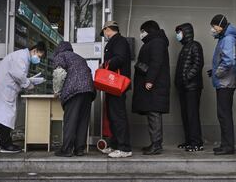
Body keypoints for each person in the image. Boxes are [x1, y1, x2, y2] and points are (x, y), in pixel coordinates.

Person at [0, 41, 47, 153]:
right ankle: (6, 145)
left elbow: (18, 74)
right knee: (6, 116)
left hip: (5, 87)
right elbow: (19, 75)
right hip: (4, 88)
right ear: (34, 50)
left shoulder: (22, 57)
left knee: (4, 116)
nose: (38, 59)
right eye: (39, 56)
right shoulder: (21, 57)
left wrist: (26, 82)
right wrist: (28, 84)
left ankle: (4, 143)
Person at [132, 20, 170, 155]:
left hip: (154, 86)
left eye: (142, 31)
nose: (141, 34)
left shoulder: (157, 42)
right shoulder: (154, 42)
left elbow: (156, 62)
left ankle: (156, 145)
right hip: (154, 86)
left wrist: (149, 80)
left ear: (148, 30)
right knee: (152, 114)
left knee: (154, 114)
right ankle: (154, 143)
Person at [53, 41, 96, 157]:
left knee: (70, 120)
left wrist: (57, 91)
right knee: (83, 120)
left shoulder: (60, 56)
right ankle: (79, 149)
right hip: (88, 90)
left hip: (74, 91)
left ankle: (66, 149)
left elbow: (59, 73)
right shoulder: (80, 58)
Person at [100, 21, 132, 158]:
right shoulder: (117, 41)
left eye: (104, 32)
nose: (105, 36)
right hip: (112, 85)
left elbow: (119, 59)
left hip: (117, 84)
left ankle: (124, 148)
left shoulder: (119, 41)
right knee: (112, 116)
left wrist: (105, 64)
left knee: (118, 116)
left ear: (107, 29)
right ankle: (114, 145)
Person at [208, 14, 236, 155]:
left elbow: (228, 61)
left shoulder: (227, 39)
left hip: (225, 82)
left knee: (224, 114)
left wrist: (217, 73)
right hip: (224, 81)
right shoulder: (224, 38)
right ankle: (225, 144)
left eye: (213, 26)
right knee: (223, 114)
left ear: (220, 25)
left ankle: (228, 146)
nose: (212, 29)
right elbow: (223, 60)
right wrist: (214, 70)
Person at [174, 23, 204, 152]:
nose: (178, 35)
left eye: (179, 32)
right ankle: (189, 141)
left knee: (192, 115)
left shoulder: (195, 45)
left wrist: (186, 77)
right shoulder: (185, 47)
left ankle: (197, 142)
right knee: (186, 115)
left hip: (192, 87)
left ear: (186, 32)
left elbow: (198, 64)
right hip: (184, 87)